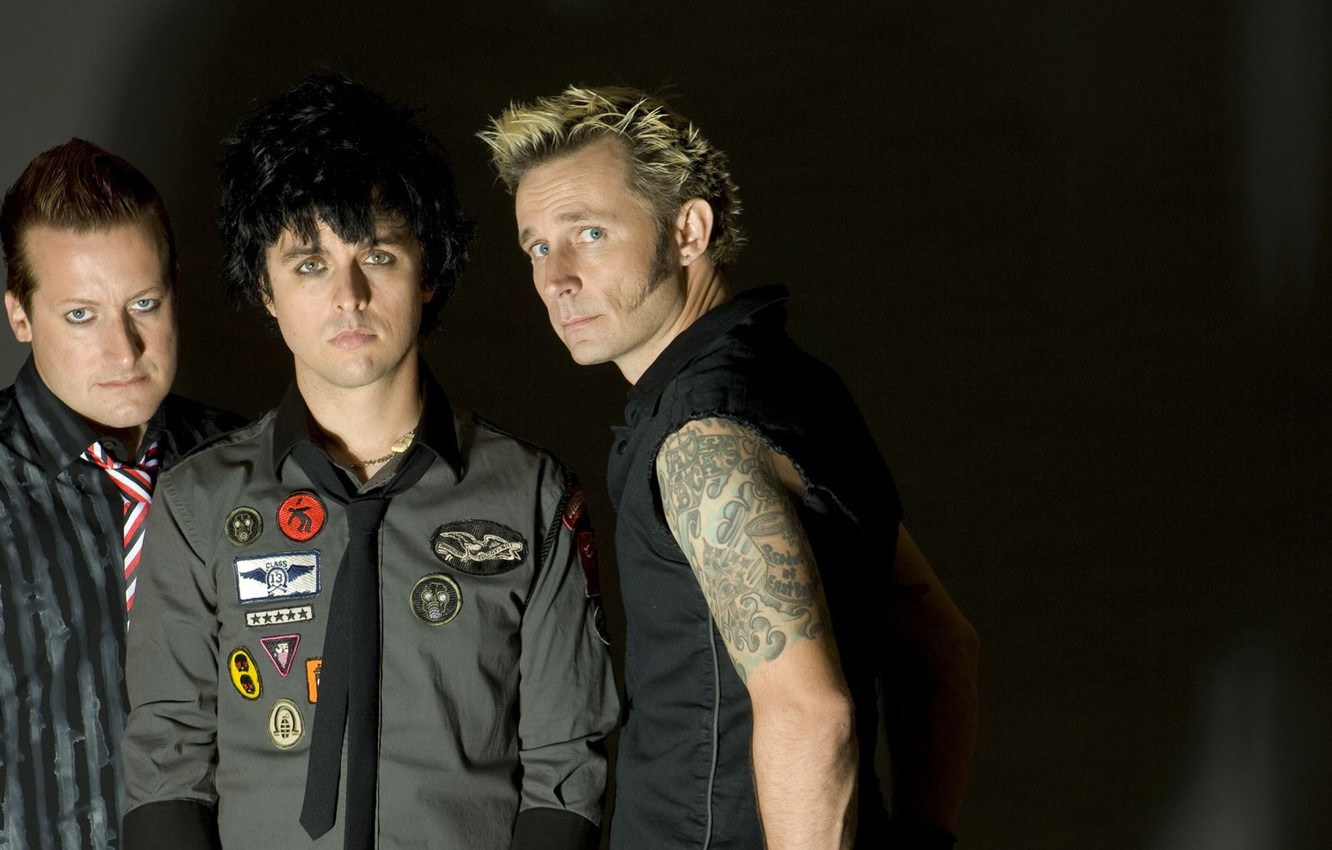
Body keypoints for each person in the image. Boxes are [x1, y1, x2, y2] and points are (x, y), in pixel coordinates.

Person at [118, 75, 617, 850]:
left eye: (377, 255)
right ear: (266, 289)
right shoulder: (196, 505)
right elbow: (165, 771)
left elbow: (566, 774)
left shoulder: (533, 498)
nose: (348, 295)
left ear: (429, 271)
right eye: (309, 264)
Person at [481, 87, 981, 849]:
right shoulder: (790, 385)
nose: (557, 278)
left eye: (590, 233)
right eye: (538, 248)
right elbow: (939, 645)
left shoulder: (701, 438)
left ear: (688, 230)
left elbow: (811, 715)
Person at [0, 139, 243, 849]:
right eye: (81, 315)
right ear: (20, 315)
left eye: (144, 304)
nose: (125, 350)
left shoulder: (251, 467)